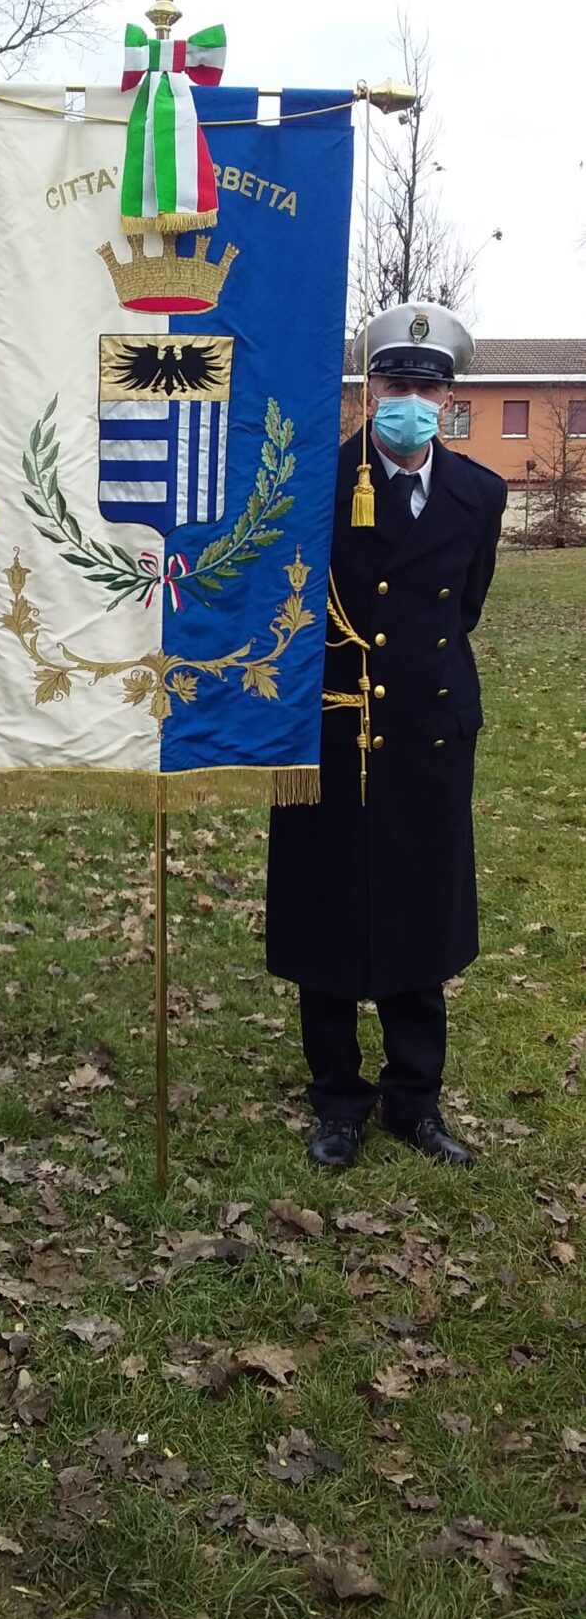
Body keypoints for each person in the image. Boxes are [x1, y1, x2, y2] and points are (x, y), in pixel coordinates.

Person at [266, 302, 507, 1170]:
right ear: (369, 391)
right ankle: (336, 1100)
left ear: (446, 400)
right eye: (395, 384)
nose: (409, 401)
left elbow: (463, 606)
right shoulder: (308, 487)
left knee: (418, 911)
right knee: (324, 909)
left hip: (425, 731)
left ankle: (415, 1099)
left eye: (425, 388)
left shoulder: (481, 494)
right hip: (328, 723)